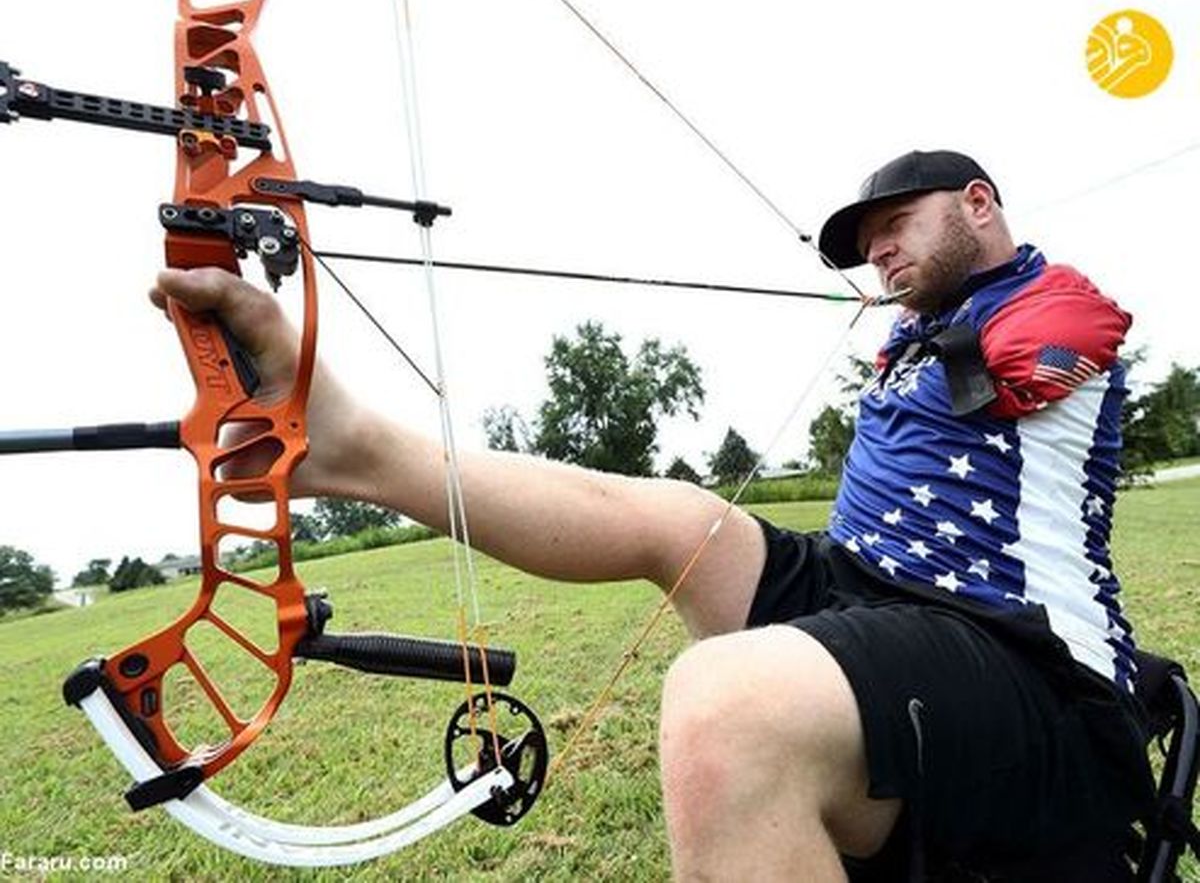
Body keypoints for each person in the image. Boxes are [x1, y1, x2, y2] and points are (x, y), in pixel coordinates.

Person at [151, 149, 1155, 881]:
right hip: (872, 589)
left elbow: (1035, 360)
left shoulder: (1054, 300)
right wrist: (920, 324)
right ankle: (356, 451)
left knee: (726, 704)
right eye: (869, 242)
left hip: (1030, 663)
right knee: (682, 522)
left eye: (900, 224)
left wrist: (932, 327)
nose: (880, 250)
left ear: (979, 203)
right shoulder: (929, 327)